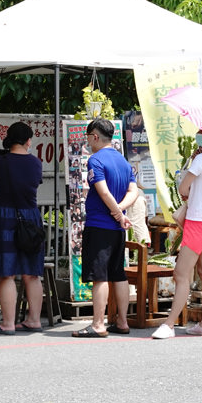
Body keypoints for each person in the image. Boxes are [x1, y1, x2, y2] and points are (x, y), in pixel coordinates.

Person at [152, 130, 202, 339]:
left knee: (180, 274)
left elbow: (182, 187)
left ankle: (169, 325)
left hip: (197, 223)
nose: (198, 134)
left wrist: (195, 192)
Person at [71, 118, 138, 338]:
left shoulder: (95, 160)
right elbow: (133, 192)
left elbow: (103, 191)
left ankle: (98, 324)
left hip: (100, 224)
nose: (88, 142)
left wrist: (117, 213)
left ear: (95, 136)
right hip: (118, 228)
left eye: (89, 137)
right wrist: (121, 213)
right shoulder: (123, 161)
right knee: (118, 274)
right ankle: (122, 321)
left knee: (99, 276)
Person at [0, 122, 45, 334]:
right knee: (31, 273)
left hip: (4, 217)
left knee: (6, 273)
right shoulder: (36, 164)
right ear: (28, 141)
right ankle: (34, 320)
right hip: (30, 218)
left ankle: (8, 323)